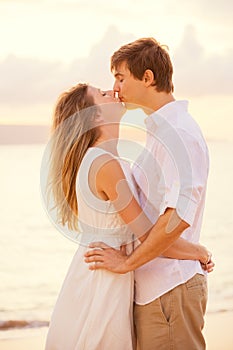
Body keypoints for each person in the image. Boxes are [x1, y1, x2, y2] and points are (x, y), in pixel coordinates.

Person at [44, 82, 212, 350]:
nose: (112, 91)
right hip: (104, 280)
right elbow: (148, 234)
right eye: (102, 94)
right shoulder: (106, 165)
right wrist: (199, 252)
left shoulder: (104, 159)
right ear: (95, 116)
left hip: (101, 274)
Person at [84, 38, 214, 350]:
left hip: (170, 288)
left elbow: (177, 217)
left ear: (147, 77)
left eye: (120, 77)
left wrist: (125, 263)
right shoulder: (160, 133)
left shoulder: (179, 133)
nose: (115, 88)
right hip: (157, 291)